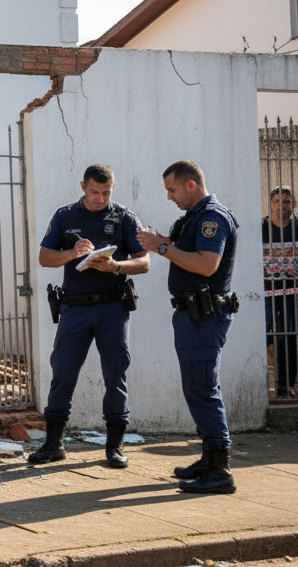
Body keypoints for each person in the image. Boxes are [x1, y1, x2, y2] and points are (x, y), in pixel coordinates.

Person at [30, 163, 150, 468]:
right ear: (83, 187)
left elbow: (145, 261)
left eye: (106, 192)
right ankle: (53, 444)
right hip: (75, 308)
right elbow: (45, 257)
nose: (100, 198)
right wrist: (72, 253)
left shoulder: (123, 216)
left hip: (112, 307)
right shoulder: (65, 215)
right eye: (95, 192)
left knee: (115, 374)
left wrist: (116, 266)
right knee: (63, 374)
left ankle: (115, 446)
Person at [136, 160, 239, 495]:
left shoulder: (213, 217)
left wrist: (163, 248)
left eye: (172, 189)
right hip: (192, 314)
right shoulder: (195, 217)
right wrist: (163, 241)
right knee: (197, 387)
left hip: (204, 315)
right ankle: (211, 458)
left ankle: (221, 469)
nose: (170, 197)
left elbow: (208, 265)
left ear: (190, 185)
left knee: (204, 386)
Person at [262, 185, 298, 397]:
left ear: (293, 205)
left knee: (288, 337)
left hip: (292, 291)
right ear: (271, 204)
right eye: (277, 202)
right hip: (265, 292)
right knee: (263, 335)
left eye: (286, 202)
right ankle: (262, 383)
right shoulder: (261, 227)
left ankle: (285, 385)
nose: (282, 207)